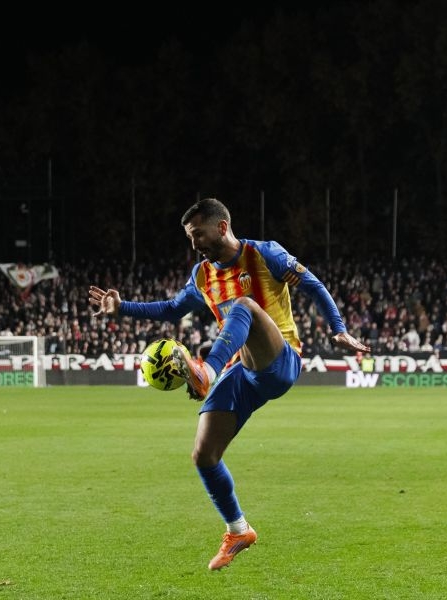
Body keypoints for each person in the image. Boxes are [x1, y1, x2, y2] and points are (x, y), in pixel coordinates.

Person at [89, 198, 368, 570]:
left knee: (243, 307)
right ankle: (238, 529)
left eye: (198, 234)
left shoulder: (265, 254)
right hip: (240, 371)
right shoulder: (202, 275)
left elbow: (314, 286)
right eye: (189, 237)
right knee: (204, 454)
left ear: (221, 227)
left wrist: (339, 330)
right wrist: (122, 307)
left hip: (279, 360)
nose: (194, 244)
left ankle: (205, 371)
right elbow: (172, 308)